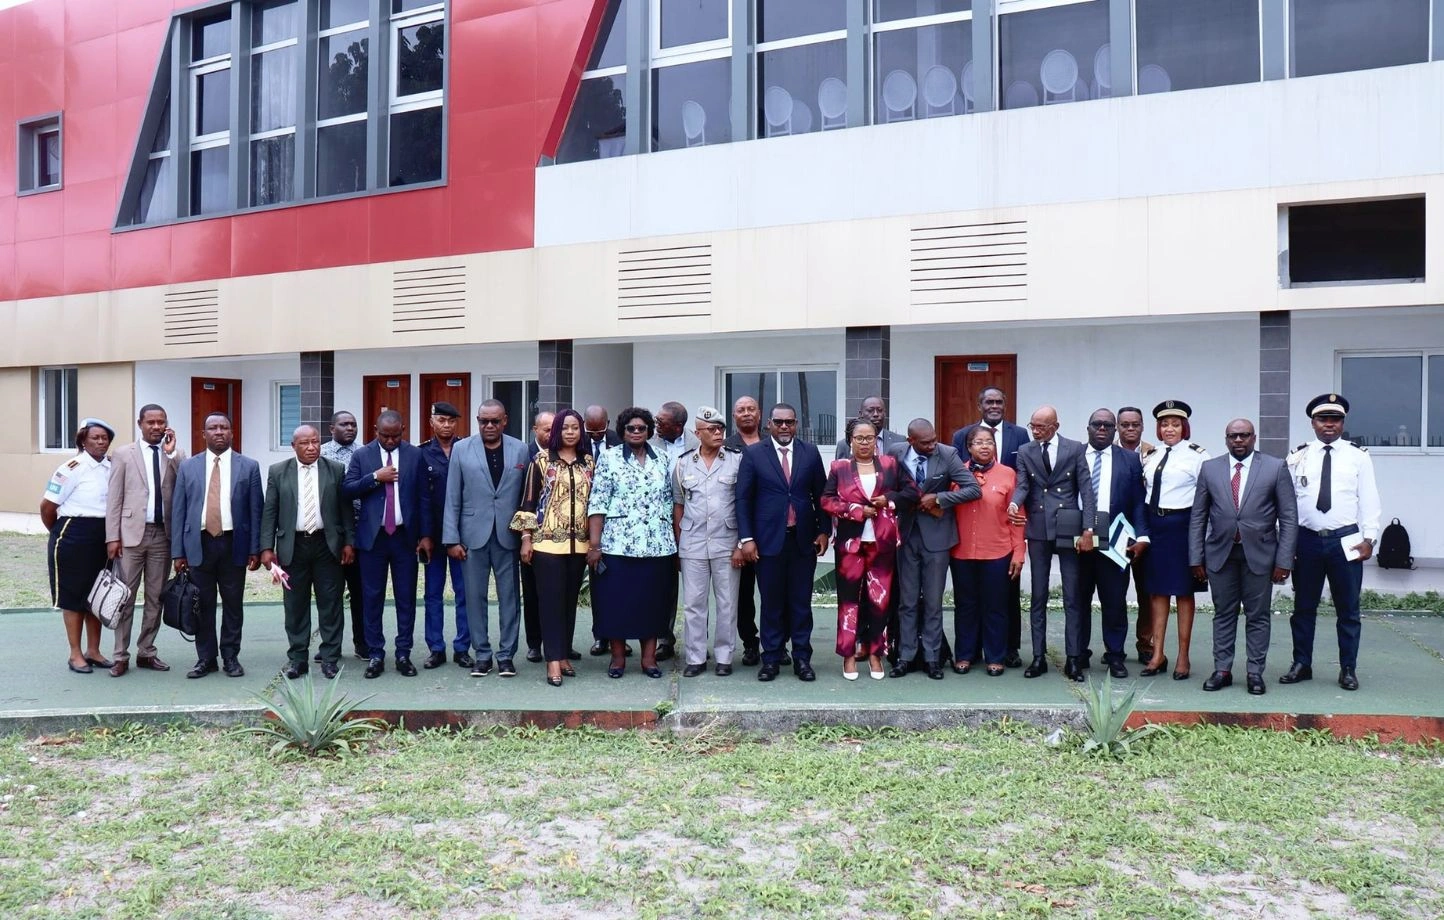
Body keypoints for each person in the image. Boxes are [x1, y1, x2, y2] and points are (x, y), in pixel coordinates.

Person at [1190, 418, 1297, 696]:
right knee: (1223, 613)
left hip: (1260, 555)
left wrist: (1284, 560)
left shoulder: (1275, 467)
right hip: (1220, 554)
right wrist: (1195, 557)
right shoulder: (1210, 468)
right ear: (1226, 439)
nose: (1239, 440)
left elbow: (1288, 517)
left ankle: (1254, 672)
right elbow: (1198, 516)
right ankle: (1222, 670)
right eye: (1233, 436)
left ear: (1254, 437)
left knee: (1257, 616)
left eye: (1244, 435)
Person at [1282, 394, 1381, 691]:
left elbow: (1370, 498)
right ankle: (1302, 663)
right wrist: (1287, 542)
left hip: (1346, 541)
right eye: (1323, 419)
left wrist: (1370, 538)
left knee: (1348, 610)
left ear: (1342, 423)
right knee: (1303, 607)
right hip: (1307, 540)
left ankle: (1348, 668)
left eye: (1335, 419)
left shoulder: (1358, 456)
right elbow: (1287, 504)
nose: (1329, 424)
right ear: (1313, 422)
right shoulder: (1298, 456)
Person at [736, 403, 831, 683]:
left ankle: (802, 658)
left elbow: (821, 495)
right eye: (779, 422)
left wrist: (824, 531)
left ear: (797, 423)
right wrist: (747, 539)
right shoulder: (754, 454)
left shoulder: (810, 452)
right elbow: (743, 499)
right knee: (772, 603)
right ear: (769, 424)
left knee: (801, 603)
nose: (784, 427)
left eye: (789, 422)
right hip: (767, 542)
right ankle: (772, 659)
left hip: (803, 541)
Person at [822, 419, 918, 680]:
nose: (865, 443)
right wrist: (853, 510)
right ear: (850, 441)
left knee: (880, 601)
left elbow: (911, 492)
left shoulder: (890, 465)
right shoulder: (839, 467)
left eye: (870, 437)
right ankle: (849, 656)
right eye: (859, 438)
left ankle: (876, 653)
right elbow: (826, 500)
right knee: (849, 601)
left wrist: (889, 499)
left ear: (876, 439)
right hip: (850, 545)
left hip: (882, 543)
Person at [259, 425, 356, 680]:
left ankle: (330, 658)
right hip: (293, 546)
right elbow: (270, 511)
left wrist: (348, 542)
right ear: (294, 446)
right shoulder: (279, 472)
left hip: (328, 545)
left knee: (331, 603)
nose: (312, 447)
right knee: (295, 605)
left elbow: (345, 509)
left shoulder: (335, 469)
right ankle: (298, 658)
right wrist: (266, 548)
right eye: (305, 443)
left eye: (315, 442)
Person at [587, 407, 677, 679]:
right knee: (617, 604)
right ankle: (617, 659)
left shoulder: (662, 458)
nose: (637, 432)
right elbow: (598, 502)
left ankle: (649, 660)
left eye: (641, 428)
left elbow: (669, 503)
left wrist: (677, 542)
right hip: (617, 545)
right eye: (631, 428)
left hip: (657, 546)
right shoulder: (609, 458)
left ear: (649, 430)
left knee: (651, 604)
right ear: (623, 431)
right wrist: (594, 545)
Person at [342, 410, 433, 680]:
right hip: (373, 539)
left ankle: (403, 652)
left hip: (405, 538)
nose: (391, 441)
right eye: (385, 435)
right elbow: (347, 489)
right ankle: (376, 654)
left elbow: (424, 498)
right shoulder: (362, 455)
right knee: (372, 598)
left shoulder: (415, 455)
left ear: (403, 429)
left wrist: (426, 535)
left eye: (396, 435)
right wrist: (374, 477)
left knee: (406, 598)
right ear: (375, 430)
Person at [171, 413, 263, 679]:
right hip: (199, 544)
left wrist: (254, 549)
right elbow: (179, 510)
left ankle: (231, 657)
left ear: (232, 433)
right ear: (204, 434)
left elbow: (256, 510)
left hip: (234, 544)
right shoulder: (188, 467)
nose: (219, 432)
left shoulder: (249, 466)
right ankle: (206, 658)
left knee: (233, 604)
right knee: (202, 604)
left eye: (224, 427)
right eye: (213, 428)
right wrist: (178, 552)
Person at [1008, 406, 1096, 678]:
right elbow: (1024, 484)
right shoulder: (1026, 451)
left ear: (1055, 426)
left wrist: (1088, 529)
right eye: (1033, 425)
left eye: (1041, 427)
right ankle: (1038, 657)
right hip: (1037, 526)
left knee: (1072, 596)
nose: (1035, 431)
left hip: (1068, 526)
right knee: (1038, 595)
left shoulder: (1075, 448)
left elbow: (1086, 490)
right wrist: (1014, 501)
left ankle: (1073, 657)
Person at [887, 419, 979, 678]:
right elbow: (888, 487)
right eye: (925, 442)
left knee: (933, 601)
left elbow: (973, 489)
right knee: (906, 601)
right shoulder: (895, 452)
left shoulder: (948, 454)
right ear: (910, 441)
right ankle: (905, 656)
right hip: (905, 535)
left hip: (937, 538)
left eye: (934, 439)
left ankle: (932, 658)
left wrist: (939, 498)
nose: (932, 445)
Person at [443, 399, 528, 678]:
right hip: (471, 537)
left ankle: (506, 656)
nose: (488, 426)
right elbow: (452, 497)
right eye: (483, 421)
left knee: (510, 598)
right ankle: (482, 655)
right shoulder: (461, 449)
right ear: (477, 421)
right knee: (473, 598)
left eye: (494, 421)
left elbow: (527, 498)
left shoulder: (520, 449)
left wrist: (527, 535)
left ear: (505, 420)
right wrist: (451, 539)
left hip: (508, 536)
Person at [511, 409, 594, 687]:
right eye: (565, 428)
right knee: (550, 603)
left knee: (570, 603)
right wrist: (525, 538)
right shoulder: (541, 460)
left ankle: (563, 653)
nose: (570, 432)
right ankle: (553, 661)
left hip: (579, 544)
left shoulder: (588, 463)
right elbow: (529, 502)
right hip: (546, 544)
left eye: (575, 428)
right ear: (556, 431)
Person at [953, 386, 1031, 667]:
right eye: (978, 443)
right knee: (965, 606)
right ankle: (965, 654)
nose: (984, 446)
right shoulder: (957, 473)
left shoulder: (1009, 474)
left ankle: (996, 656)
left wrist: (1018, 552)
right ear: (968, 446)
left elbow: (1018, 516)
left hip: (997, 551)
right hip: (962, 551)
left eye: (989, 443)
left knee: (996, 607)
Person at [103, 404, 183, 676]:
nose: (156, 427)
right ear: (140, 424)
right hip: (130, 537)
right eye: (151, 422)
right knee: (124, 597)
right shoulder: (124, 454)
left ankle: (147, 651)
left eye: (161, 422)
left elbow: (185, 482)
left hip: (163, 535)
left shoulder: (173, 454)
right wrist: (112, 537)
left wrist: (172, 454)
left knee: (155, 598)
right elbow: (113, 499)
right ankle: (120, 655)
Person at [1075, 409, 1150, 681]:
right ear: (1088, 427)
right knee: (1078, 600)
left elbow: (1138, 502)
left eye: (1108, 425)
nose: (1102, 429)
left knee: (1115, 602)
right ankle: (1078, 652)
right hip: (1078, 541)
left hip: (1115, 542)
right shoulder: (1074, 455)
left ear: (1115, 430)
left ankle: (1115, 655)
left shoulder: (1130, 460)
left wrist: (1142, 537)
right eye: (1097, 424)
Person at [672, 406, 745, 678]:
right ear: (697, 433)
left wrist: (740, 544)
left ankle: (725, 656)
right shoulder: (683, 463)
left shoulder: (736, 461)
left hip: (727, 541)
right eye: (711, 429)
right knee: (693, 603)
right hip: (692, 542)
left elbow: (743, 503)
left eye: (720, 429)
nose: (717, 433)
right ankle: (695, 657)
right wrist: (680, 543)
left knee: (727, 602)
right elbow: (678, 505)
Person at [1139, 400, 1209, 681]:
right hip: (1155, 528)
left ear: (1185, 427)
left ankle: (1183, 655)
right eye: (1165, 424)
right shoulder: (1151, 455)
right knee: (1157, 592)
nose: (1170, 429)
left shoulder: (1197, 456)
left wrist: (1201, 541)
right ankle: (1158, 654)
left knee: (1183, 592)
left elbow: (1205, 500)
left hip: (1182, 527)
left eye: (1175, 424)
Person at [42, 418, 118, 675]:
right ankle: (75, 653)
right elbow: (47, 508)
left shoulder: (112, 467)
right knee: (73, 597)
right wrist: (60, 533)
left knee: (96, 595)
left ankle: (93, 651)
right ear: (83, 440)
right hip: (73, 534)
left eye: (105, 438)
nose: (100, 441)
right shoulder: (71, 468)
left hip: (104, 535)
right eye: (95, 437)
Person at [419, 402, 473, 670]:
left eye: (451, 421)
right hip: (434, 536)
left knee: (465, 593)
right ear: (432, 422)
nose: (447, 425)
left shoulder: (467, 450)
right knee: (433, 593)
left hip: (463, 535)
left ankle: (462, 648)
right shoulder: (421, 454)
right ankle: (436, 648)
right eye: (441, 420)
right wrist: (424, 536)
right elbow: (421, 499)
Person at [321, 410, 369, 660]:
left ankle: (363, 643)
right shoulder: (319, 454)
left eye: (353, 424)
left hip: (361, 532)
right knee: (331, 593)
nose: (350, 428)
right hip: (331, 533)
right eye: (344, 424)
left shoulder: (365, 453)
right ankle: (331, 646)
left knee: (360, 591)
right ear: (332, 428)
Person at [724, 395, 766, 666]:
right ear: (734, 416)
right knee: (743, 595)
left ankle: (777, 644)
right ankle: (750, 643)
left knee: (774, 593)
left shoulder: (772, 444)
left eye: (751, 409)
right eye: (741, 410)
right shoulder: (726, 447)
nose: (747, 414)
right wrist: (740, 539)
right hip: (741, 533)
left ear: (760, 414)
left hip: (771, 531)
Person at [1116, 405, 1156, 664]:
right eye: (1125, 425)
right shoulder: (1108, 451)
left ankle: (1146, 644)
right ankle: (1115, 647)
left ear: (1142, 426)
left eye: (1135, 424)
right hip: (1116, 532)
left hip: (1147, 532)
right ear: (1118, 427)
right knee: (1115, 593)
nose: (1130, 429)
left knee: (1147, 592)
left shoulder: (1156, 453)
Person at [582, 404, 620, 656]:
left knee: (616, 583)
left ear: (608, 423)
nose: (595, 435)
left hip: (615, 522)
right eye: (590, 430)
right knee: (597, 583)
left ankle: (619, 635)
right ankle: (600, 637)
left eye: (600, 430)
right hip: (584, 520)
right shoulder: (577, 441)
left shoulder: (619, 440)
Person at [520, 409, 557, 663]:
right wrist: (525, 535)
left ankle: (560, 644)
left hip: (559, 539)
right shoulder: (525, 455)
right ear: (535, 430)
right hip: (527, 531)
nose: (551, 433)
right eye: (546, 429)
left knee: (558, 593)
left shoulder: (565, 455)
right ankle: (535, 643)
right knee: (532, 591)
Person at [835, 396, 903, 460]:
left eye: (880, 410)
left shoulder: (899, 441)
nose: (876, 414)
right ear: (861, 414)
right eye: (870, 411)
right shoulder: (844, 444)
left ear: (885, 413)